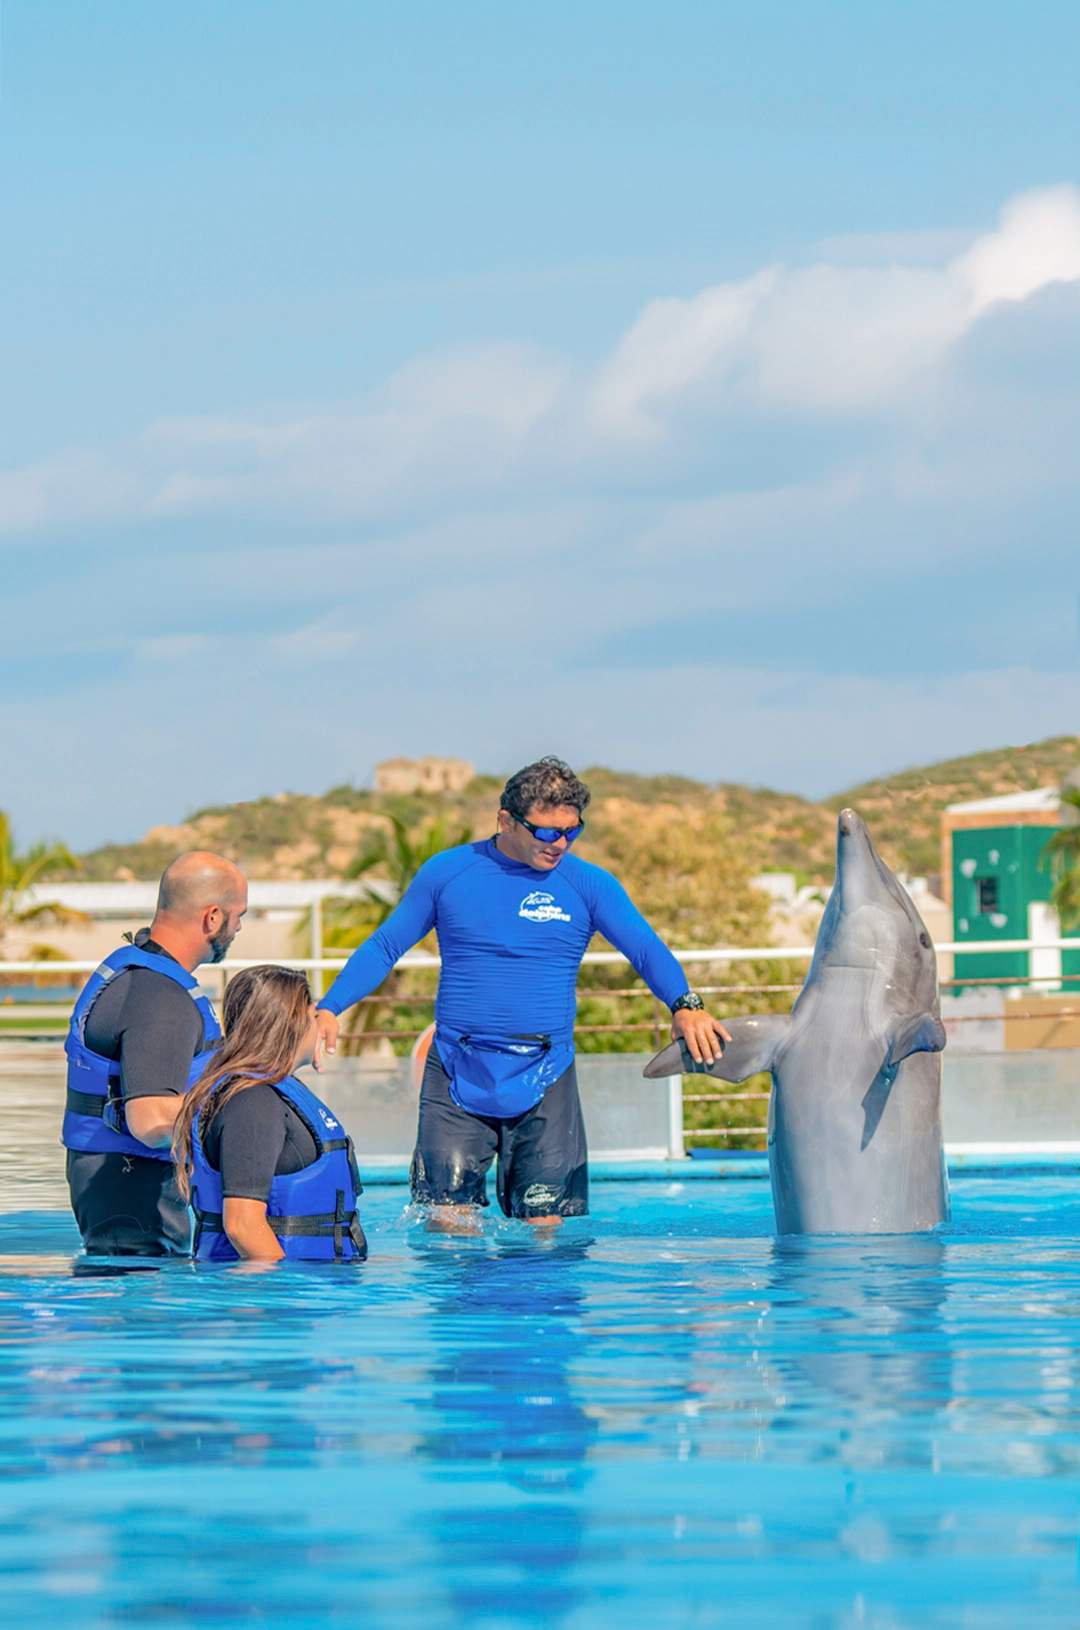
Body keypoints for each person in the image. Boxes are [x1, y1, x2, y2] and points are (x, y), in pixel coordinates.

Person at [315, 756, 730, 1224]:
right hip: (457, 1068)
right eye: (547, 832)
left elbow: (646, 950)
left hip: (546, 1071)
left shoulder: (588, 884)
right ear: (506, 821)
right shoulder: (448, 873)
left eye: (572, 831)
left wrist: (686, 1004)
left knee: (545, 1230)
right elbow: (386, 945)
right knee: (447, 1222)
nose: (560, 844)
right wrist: (331, 1007)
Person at [61, 851, 248, 1256]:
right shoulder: (161, 998)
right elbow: (148, 1119)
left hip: (116, 1191)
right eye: (238, 916)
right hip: (134, 1200)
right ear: (212, 917)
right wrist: (239, 1110)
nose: (238, 927)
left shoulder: (140, 971)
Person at [171, 965, 366, 1263]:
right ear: (289, 1024)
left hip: (307, 1288)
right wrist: (285, 1290)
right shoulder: (251, 1102)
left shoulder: (271, 1092)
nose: (320, 1025)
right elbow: (242, 1225)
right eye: (314, 1015)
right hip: (275, 1298)